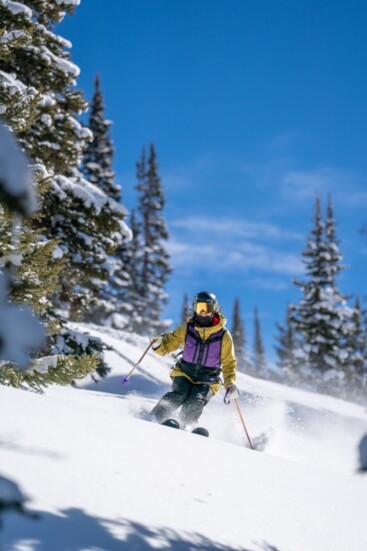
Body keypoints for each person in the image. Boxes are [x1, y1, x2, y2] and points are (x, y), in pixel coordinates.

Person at [150, 291, 239, 428]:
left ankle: (187, 425)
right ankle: (156, 416)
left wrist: (230, 384)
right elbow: (169, 344)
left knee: (196, 400)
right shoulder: (188, 328)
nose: (203, 312)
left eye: (207, 309)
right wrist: (157, 344)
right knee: (180, 393)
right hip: (184, 372)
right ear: (194, 309)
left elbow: (229, 363)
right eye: (199, 308)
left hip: (208, 380)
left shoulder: (224, 335)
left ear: (214, 310)